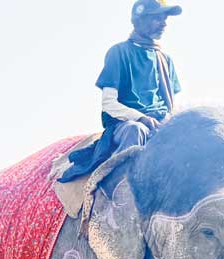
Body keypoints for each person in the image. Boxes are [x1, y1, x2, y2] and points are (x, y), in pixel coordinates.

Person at [60, 0, 182, 182]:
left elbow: (172, 105)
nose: (164, 23)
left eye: (165, 18)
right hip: (126, 125)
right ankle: (123, 188)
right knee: (136, 130)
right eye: (157, 18)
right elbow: (109, 104)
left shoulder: (166, 60)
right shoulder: (119, 53)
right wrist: (140, 117)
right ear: (138, 20)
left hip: (160, 123)